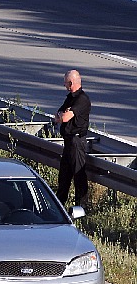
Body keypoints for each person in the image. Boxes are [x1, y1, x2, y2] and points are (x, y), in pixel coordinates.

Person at [55, 69, 91, 208]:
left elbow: (64, 117)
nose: (64, 86)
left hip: (77, 142)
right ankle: (59, 205)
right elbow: (57, 114)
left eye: (65, 83)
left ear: (71, 83)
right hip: (68, 142)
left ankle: (81, 207)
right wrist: (62, 115)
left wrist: (63, 115)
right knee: (64, 176)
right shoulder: (70, 98)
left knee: (78, 176)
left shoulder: (82, 99)